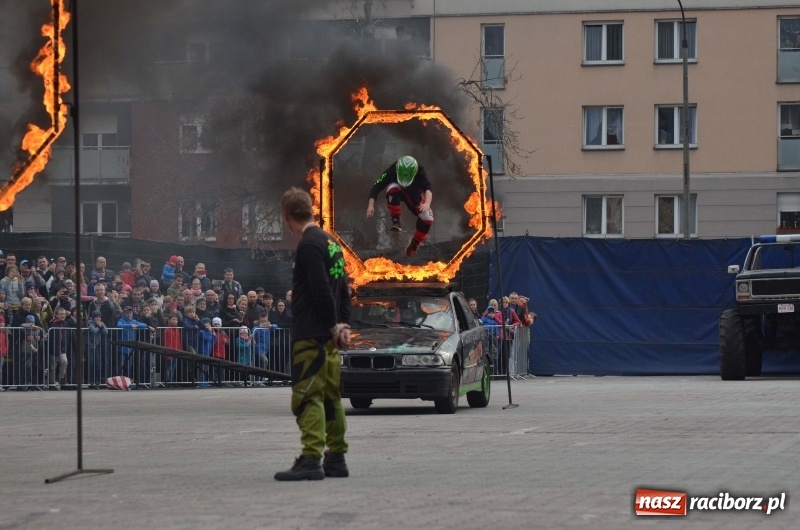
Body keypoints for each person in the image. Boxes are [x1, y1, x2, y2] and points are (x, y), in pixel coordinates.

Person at [274, 187, 351, 482]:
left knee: (307, 397)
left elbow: (320, 288)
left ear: (286, 216)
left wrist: (332, 324)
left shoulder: (308, 244)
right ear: (311, 209)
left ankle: (310, 459)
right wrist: (342, 324)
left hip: (310, 335)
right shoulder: (331, 242)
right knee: (331, 397)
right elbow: (343, 287)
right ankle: (336, 457)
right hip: (329, 338)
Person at [366, 155, 433, 257]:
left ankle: (415, 243)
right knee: (392, 187)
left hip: (414, 195)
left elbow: (428, 188)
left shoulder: (420, 170)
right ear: (397, 170)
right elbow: (376, 186)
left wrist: (427, 204)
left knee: (428, 218)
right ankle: (396, 221)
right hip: (398, 191)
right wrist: (370, 206)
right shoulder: (391, 170)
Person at [86, 310, 108, 388]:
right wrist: (99, 326)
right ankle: (91, 381)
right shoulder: (90, 322)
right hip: (89, 345)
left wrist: (100, 326)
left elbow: (106, 332)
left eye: (99, 317)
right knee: (91, 364)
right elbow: (94, 331)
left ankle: (97, 381)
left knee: (97, 364)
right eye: (96, 317)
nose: (98, 318)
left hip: (97, 345)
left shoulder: (101, 323)